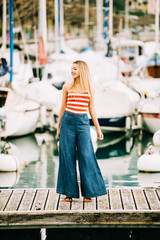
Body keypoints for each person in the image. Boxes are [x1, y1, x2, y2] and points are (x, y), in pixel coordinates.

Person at [56, 60, 107, 202]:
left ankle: (89, 192)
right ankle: (69, 192)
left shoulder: (89, 87)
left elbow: (91, 109)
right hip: (67, 122)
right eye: (71, 68)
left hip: (83, 123)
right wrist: (58, 127)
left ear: (82, 71)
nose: (72, 71)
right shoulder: (67, 87)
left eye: (75, 69)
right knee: (67, 156)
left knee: (86, 155)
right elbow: (62, 107)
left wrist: (98, 128)